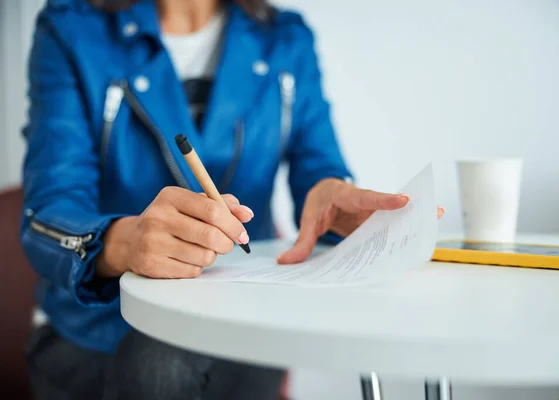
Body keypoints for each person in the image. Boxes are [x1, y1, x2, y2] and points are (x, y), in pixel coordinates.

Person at [21, 0, 444, 399]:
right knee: (159, 362)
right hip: (96, 336)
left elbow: (318, 166)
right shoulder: (71, 28)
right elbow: (46, 215)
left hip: (240, 329)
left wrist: (331, 194)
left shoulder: (286, 39)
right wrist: (125, 241)